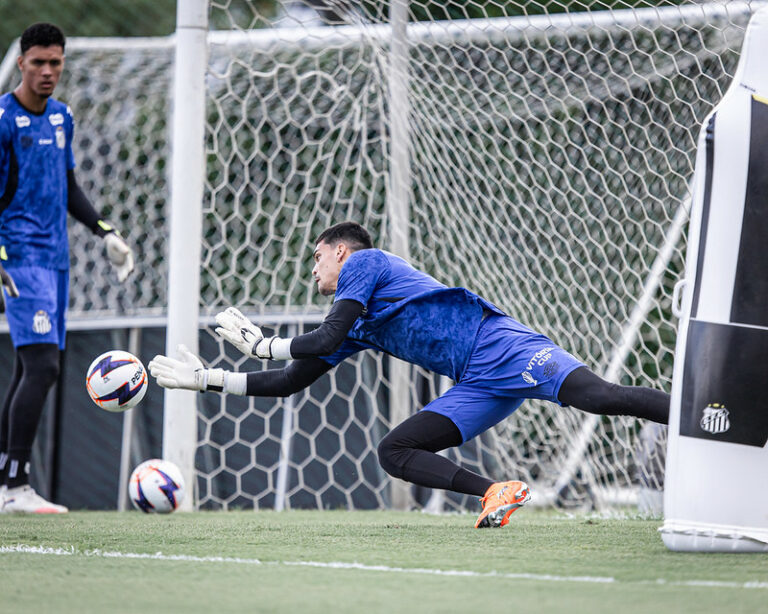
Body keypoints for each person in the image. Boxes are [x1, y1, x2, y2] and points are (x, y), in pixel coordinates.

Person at [149, 222, 669, 528]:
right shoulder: (355, 322)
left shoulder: (366, 262)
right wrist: (207, 380)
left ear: (341, 252)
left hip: (502, 346)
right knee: (394, 452)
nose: (313, 271)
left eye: (317, 257)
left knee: (598, 396)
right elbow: (289, 381)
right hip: (475, 383)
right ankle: (495, 491)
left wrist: (264, 344)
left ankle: (698, 408)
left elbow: (322, 339)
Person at [0, 23, 134, 514]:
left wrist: (106, 232)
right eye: (38, 62)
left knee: (30, 367)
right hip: (18, 258)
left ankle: (5, 481)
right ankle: (15, 487)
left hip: (56, 261)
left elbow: (71, 188)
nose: (48, 71)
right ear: (21, 63)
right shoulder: (1, 120)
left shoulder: (61, 118)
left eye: (56, 62)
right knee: (43, 366)